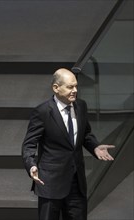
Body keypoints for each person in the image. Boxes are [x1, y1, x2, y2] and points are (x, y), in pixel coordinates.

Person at [22, 68, 115, 220]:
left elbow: (85, 134)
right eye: (70, 87)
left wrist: (94, 146)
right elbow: (29, 144)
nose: (75, 90)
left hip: (76, 182)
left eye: (76, 86)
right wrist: (31, 165)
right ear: (56, 88)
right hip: (50, 182)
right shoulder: (43, 112)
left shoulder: (81, 106)